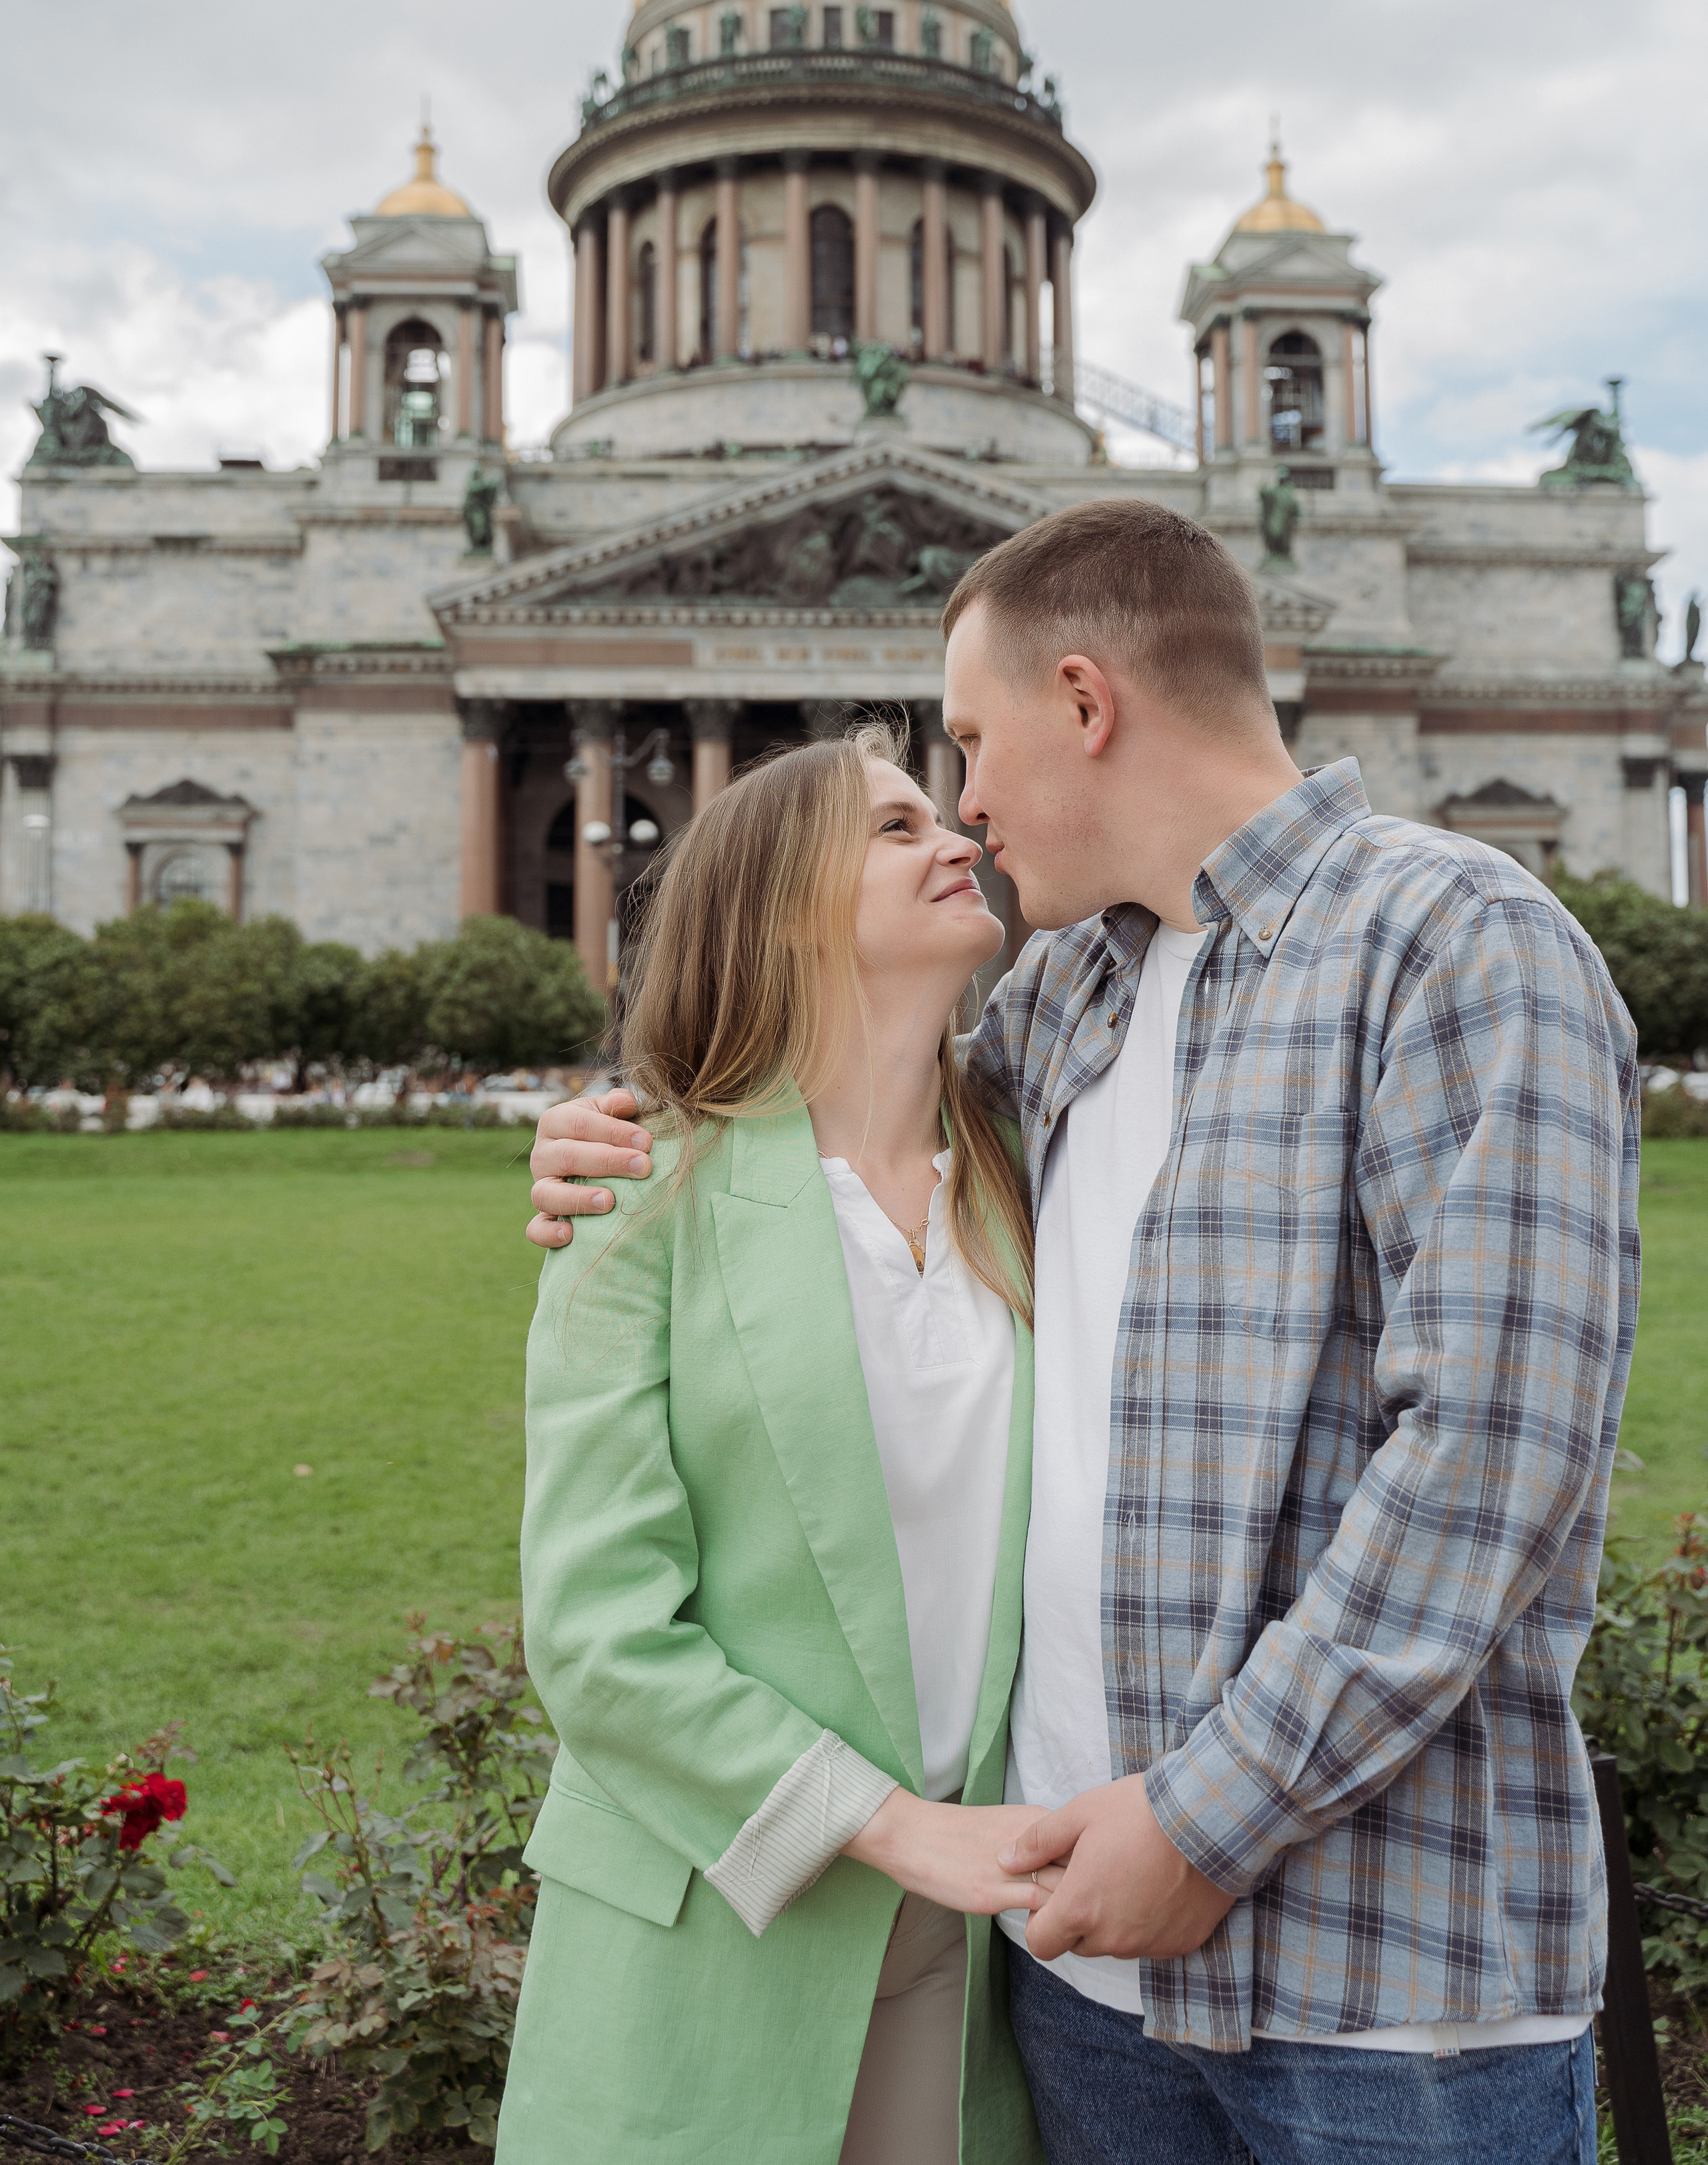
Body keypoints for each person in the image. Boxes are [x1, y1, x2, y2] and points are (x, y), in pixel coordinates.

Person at [526, 498, 1637, 2165]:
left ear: (1083, 701)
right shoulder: (1067, 1002)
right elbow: (820, 1145)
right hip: (1074, 1986)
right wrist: (617, 1146)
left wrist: (1200, 1822)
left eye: (968, 742)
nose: (964, 809)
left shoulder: (1454, 941)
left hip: (1377, 1998)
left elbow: (1489, 1458)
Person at [496, 724, 1050, 2165]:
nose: (959, 840)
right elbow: (600, 1635)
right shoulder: (641, 1207)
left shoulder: (1035, 1182)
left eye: (943, 817)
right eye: (893, 828)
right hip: (711, 1928)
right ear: (772, 907)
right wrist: (884, 1824)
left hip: (977, 1946)